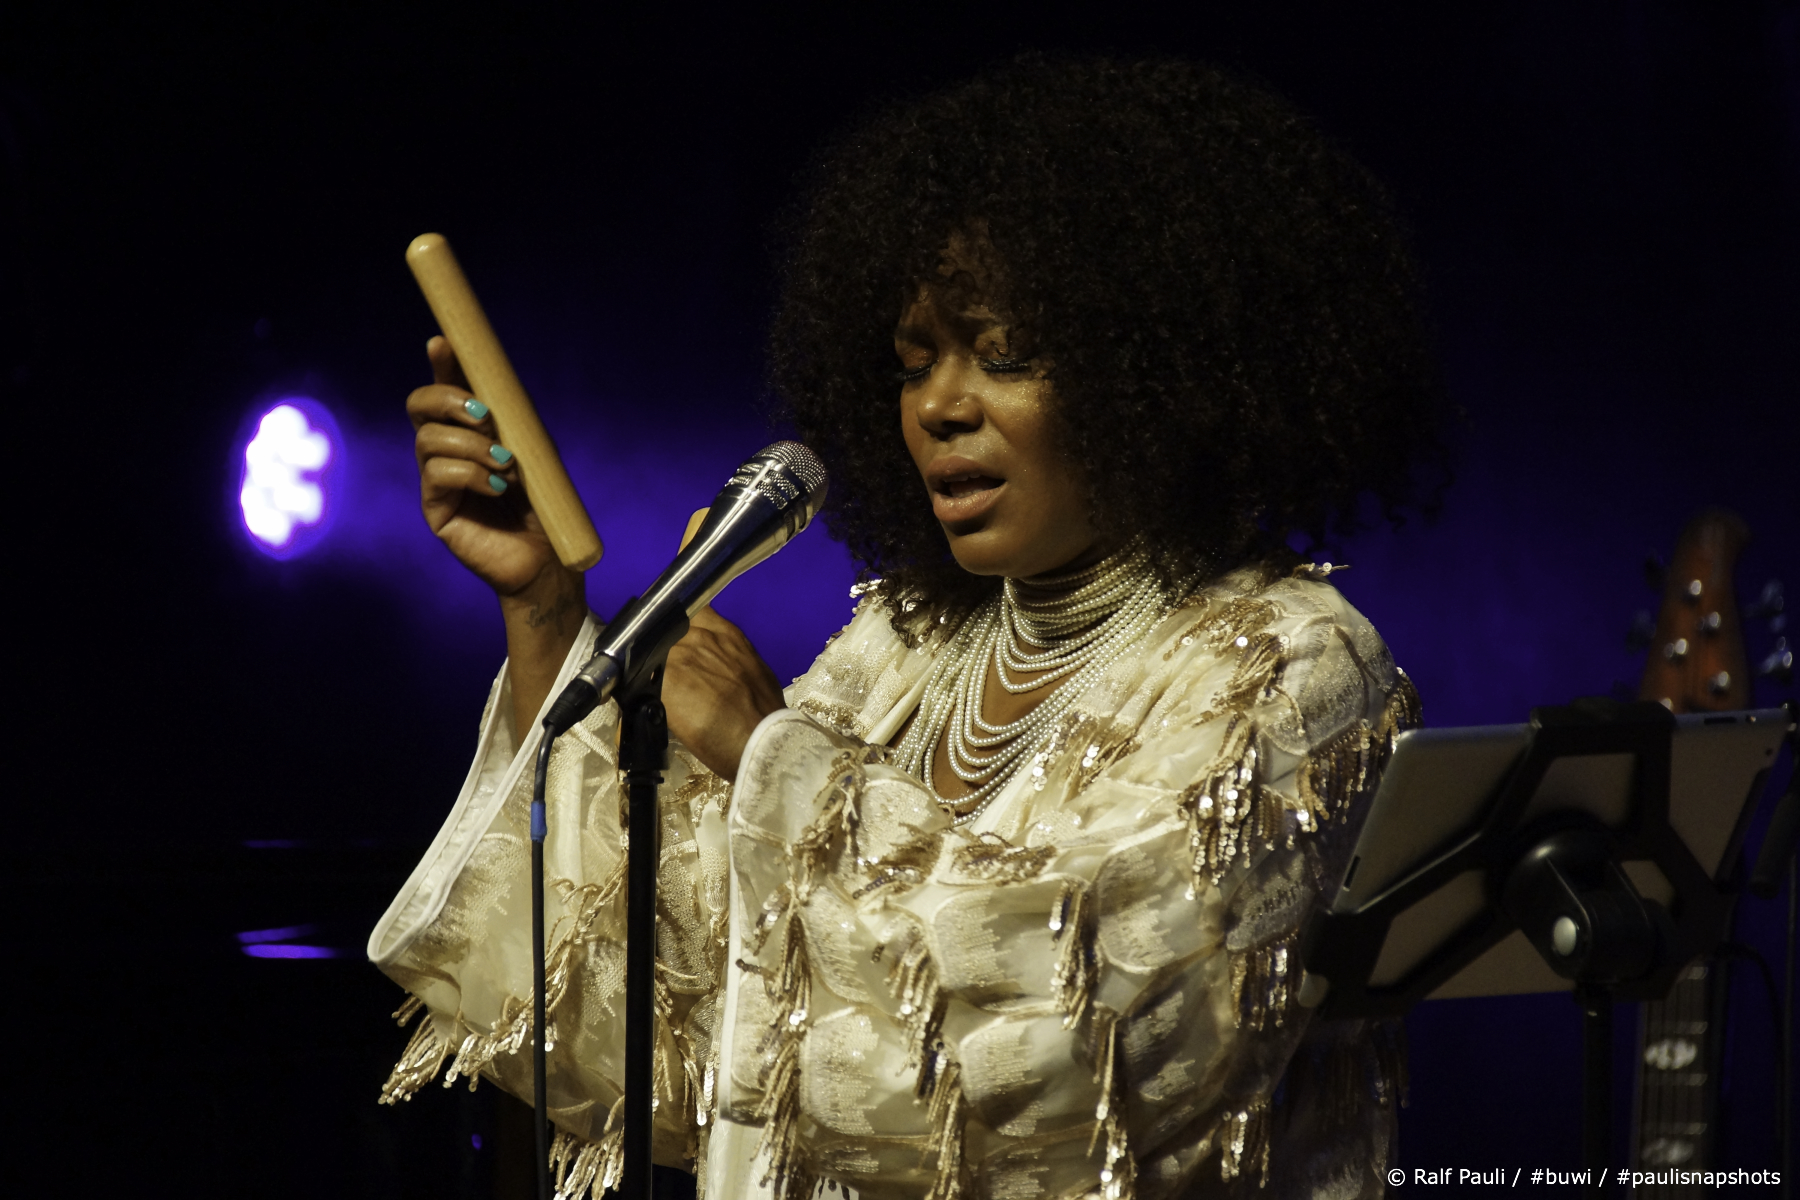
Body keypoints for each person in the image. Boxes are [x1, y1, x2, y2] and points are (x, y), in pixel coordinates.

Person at [368, 54, 1446, 1200]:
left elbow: (1073, 1054)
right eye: (911, 364)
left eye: (1006, 353)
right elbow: (683, 1037)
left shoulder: (1289, 664)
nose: (937, 405)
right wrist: (542, 606)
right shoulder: (906, 646)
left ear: (1163, 368)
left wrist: (772, 754)